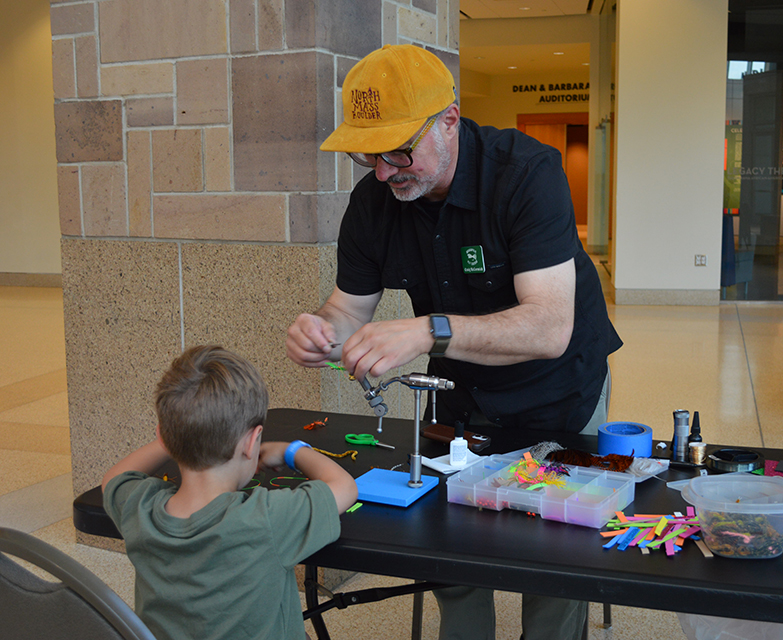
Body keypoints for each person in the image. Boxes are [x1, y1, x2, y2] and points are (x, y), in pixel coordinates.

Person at [286, 43, 622, 640]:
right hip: (458, 393)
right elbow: (346, 307)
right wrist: (322, 330)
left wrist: (426, 331)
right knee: (455, 551)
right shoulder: (376, 201)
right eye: (369, 155)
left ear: (448, 120)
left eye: (399, 149)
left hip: (560, 385)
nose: (386, 170)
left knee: (549, 559)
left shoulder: (527, 174)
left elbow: (549, 327)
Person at [102, 345, 358, 640]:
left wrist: (174, 436)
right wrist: (291, 450)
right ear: (252, 442)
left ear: (163, 436)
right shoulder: (265, 519)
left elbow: (114, 477)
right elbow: (344, 487)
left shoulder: (140, 508)